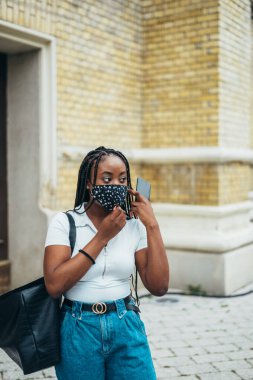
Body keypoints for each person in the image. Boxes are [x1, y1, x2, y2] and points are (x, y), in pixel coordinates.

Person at [43, 146, 169, 380]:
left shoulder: (134, 225)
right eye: (107, 178)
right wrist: (103, 236)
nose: (116, 186)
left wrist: (152, 225)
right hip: (78, 327)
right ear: (89, 184)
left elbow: (159, 286)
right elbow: (54, 284)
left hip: (126, 324)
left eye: (122, 180)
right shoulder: (64, 222)